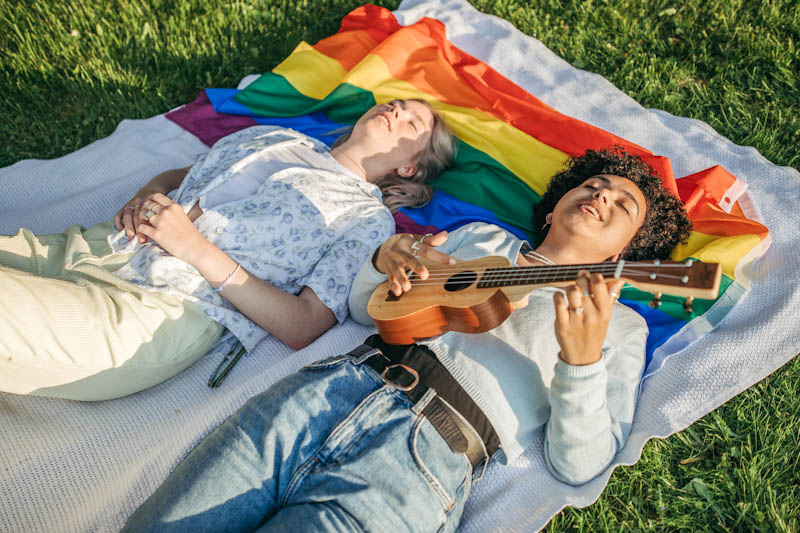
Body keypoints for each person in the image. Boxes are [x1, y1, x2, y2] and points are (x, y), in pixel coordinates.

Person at [123, 148, 692, 532]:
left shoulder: (620, 324)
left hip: (424, 458)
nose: (601, 196)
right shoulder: (479, 238)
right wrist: (385, 261)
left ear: (625, 255)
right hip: (325, 392)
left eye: (623, 206)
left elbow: (580, 465)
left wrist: (582, 362)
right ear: (559, 202)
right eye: (594, 185)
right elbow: (360, 305)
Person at [0, 99, 455, 401]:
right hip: (98, 246)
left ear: (409, 166)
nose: (394, 108)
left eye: (411, 120)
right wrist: (145, 195)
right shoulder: (278, 137)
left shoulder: (366, 218)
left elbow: (305, 324)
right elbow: (182, 175)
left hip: (163, 309)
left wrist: (194, 248)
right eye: (394, 101)